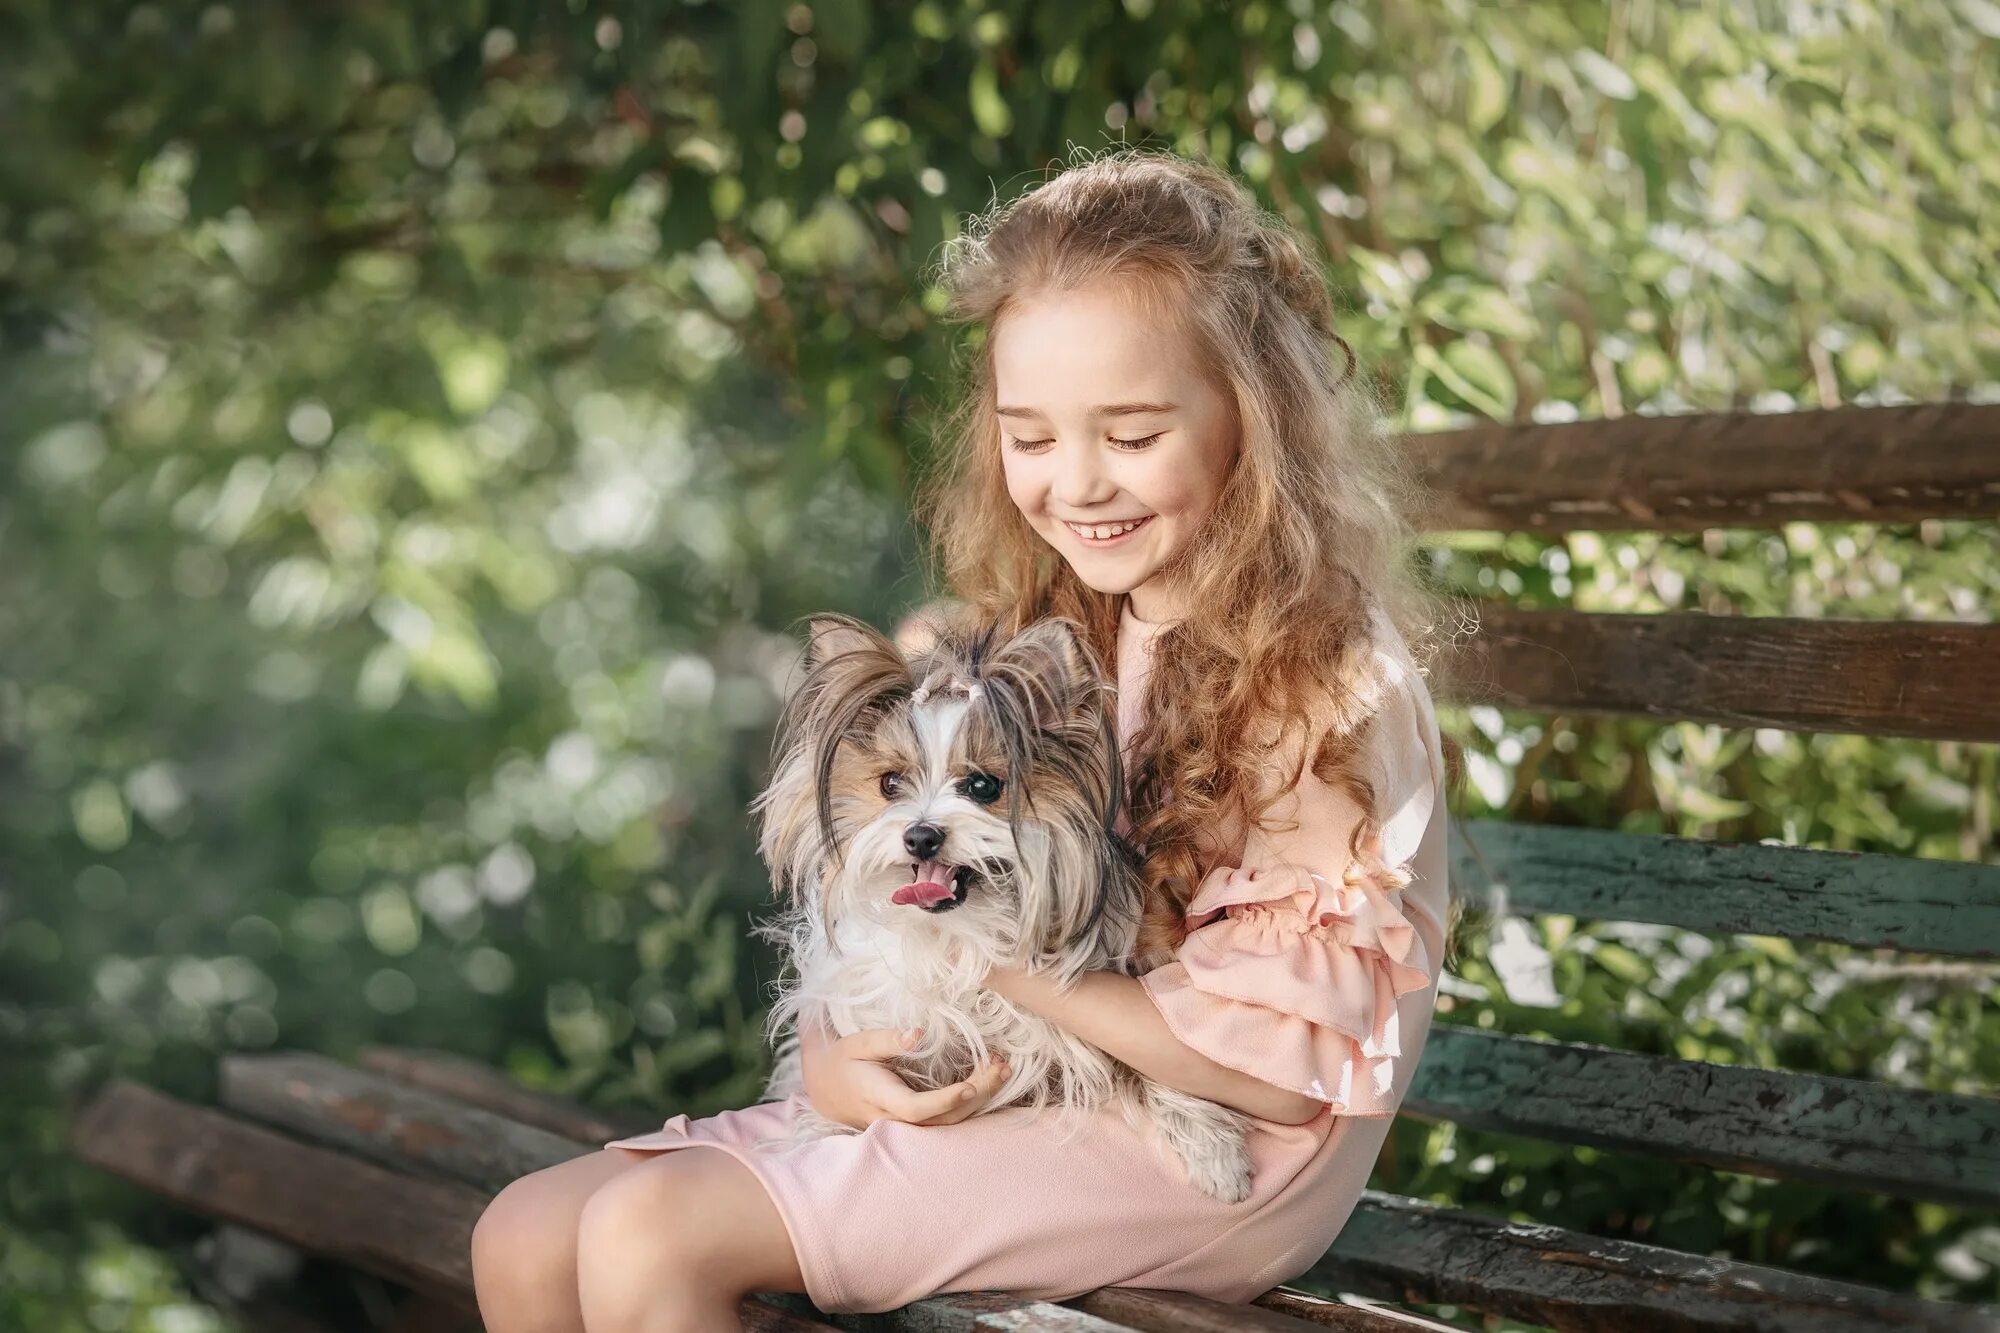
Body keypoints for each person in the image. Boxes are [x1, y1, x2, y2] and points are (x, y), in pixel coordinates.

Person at [468, 145, 1464, 1333]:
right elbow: (889, 890)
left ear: (1249, 419)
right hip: (1017, 1073)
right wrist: (842, 1056)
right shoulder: (1046, 625)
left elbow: (1271, 1072)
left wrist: (993, 960)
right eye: (1030, 438)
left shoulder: (1318, 680)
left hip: (1209, 1148)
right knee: (523, 1230)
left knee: (653, 1227)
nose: (1076, 483)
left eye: (1131, 433)